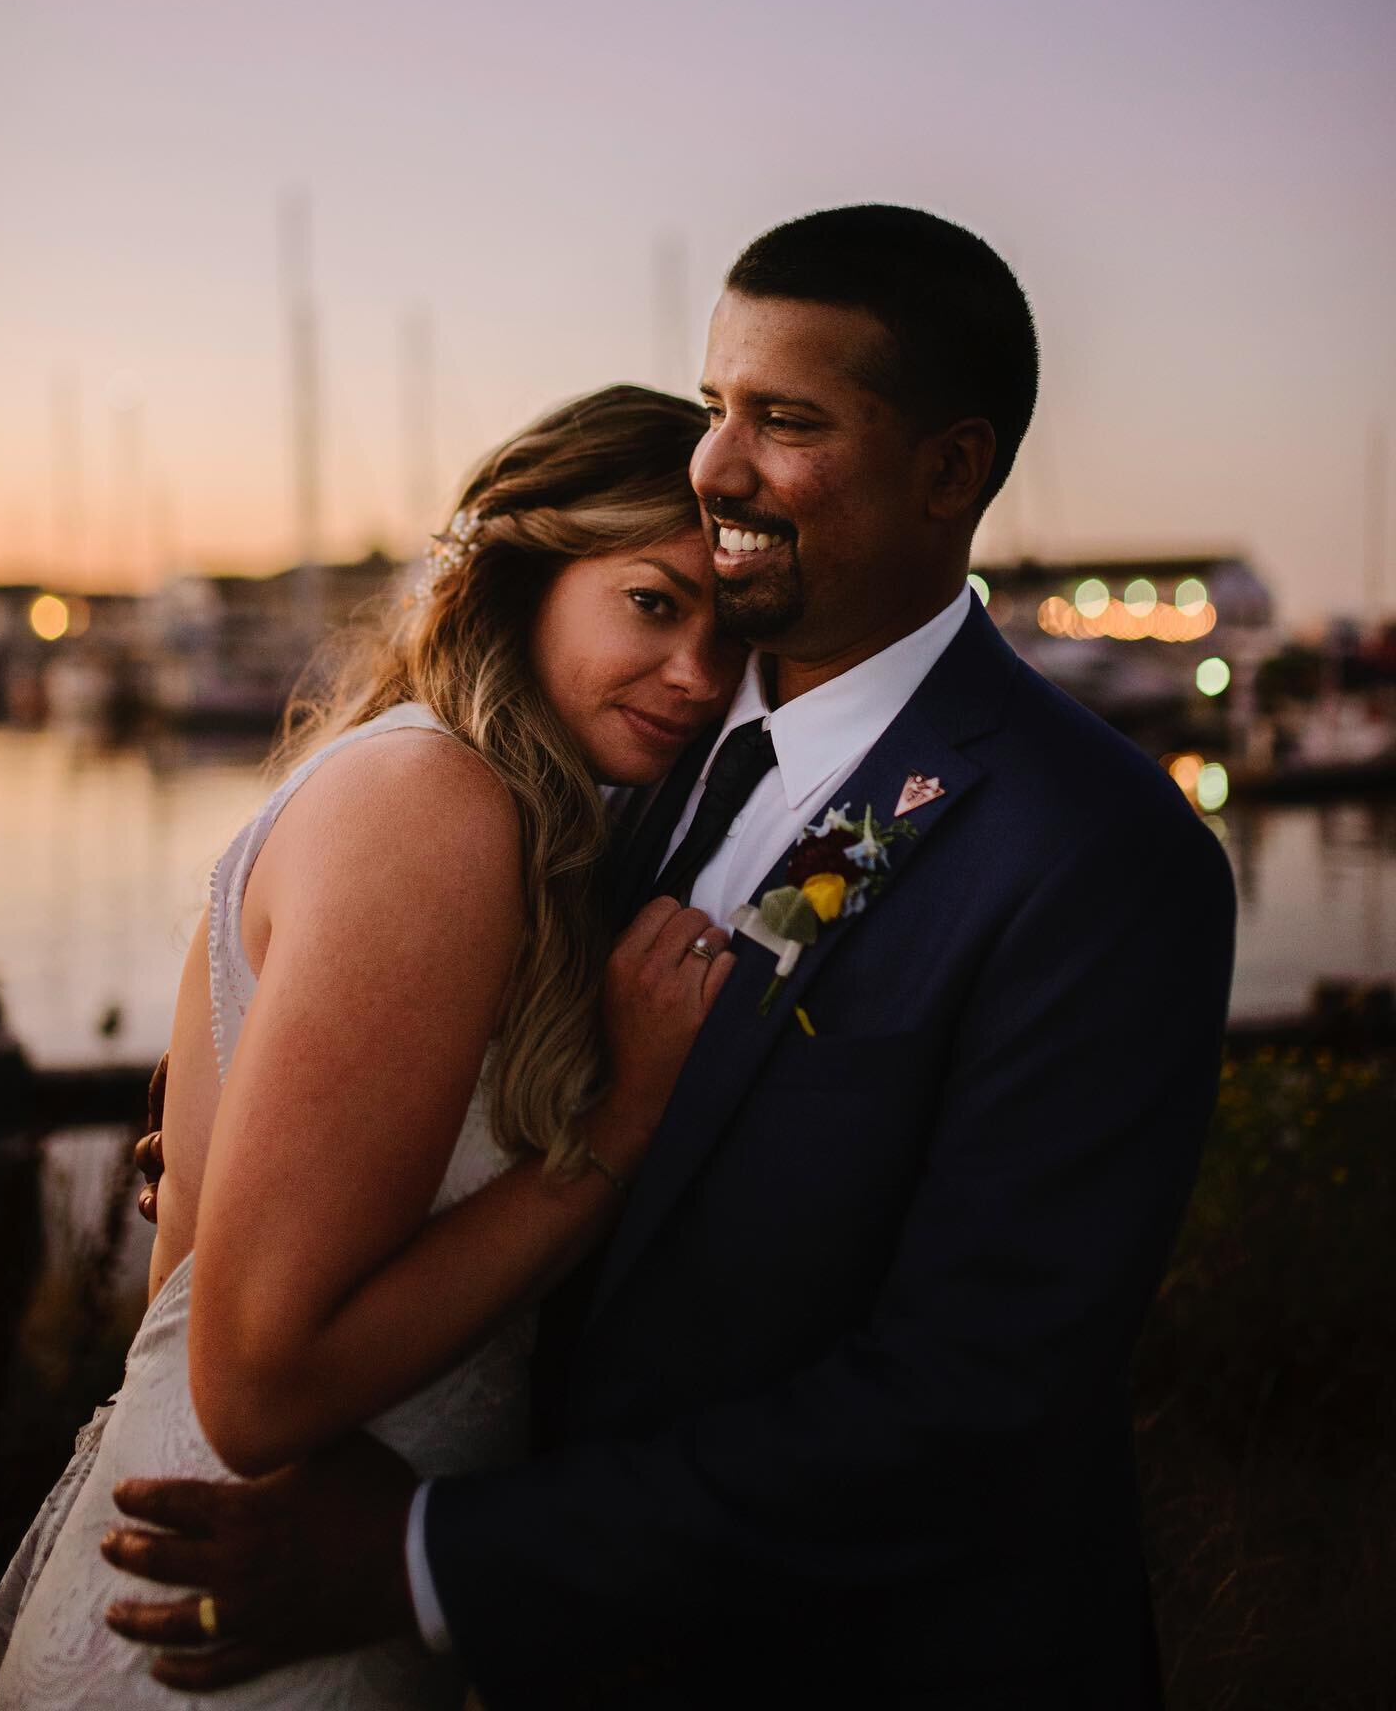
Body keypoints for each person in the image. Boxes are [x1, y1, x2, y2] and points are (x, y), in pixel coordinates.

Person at [102, 205, 1236, 1709]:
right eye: (716, 407)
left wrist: (431, 1556)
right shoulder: (623, 756)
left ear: (952, 469)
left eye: (786, 420)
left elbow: (973, 1402)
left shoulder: (1089, 848)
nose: (717, 467)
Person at [0, 384, 747, 1711]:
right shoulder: (433, 807)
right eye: (655, 603)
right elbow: (258, 1390)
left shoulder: (477, 802)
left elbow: (186, 1270)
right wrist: (620, 1129)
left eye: (734, 633)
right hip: (256, 1626)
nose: (699, 677)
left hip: (277, 1581)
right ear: (525, 576)